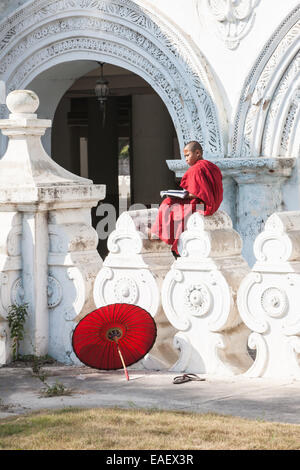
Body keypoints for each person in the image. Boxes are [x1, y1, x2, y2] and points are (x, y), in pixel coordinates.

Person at [150, 141, 223, 255]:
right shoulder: (211, 166)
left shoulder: (196, 169)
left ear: (198, 153)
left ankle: (161, 234)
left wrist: (177, 195)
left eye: (188, 155)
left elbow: (197, 194)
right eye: (185, 157)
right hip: (213, 204)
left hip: (202, 205)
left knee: (167, 202)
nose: (186, 159)